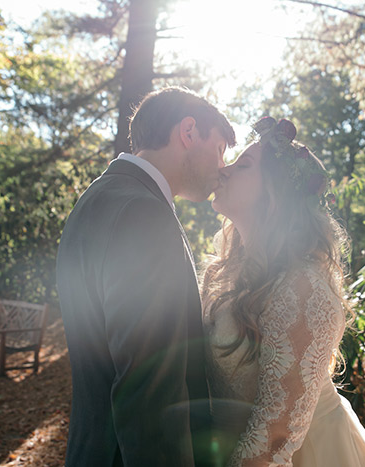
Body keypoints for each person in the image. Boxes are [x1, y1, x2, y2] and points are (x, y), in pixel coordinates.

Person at [56, 87, 236, 466]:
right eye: (220, 148)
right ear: (188, 132)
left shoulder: (98, 197)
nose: (223, 166)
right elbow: (150, 391)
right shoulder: (144, 214)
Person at [202, 116, 365, 466]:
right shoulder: (226, 270)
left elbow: (276, 438)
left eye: (242, 165)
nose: (224, 170)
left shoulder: (304, 287)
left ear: (275, 193)